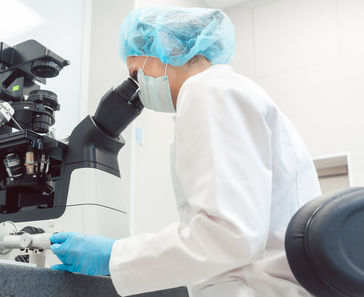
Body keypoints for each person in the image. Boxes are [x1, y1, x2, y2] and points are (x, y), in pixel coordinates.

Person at [49, 6, 321, 297]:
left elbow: (229, 236)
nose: (137, 86)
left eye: (134, 72)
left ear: (163, 48)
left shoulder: (206, 90)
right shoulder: (230, 90)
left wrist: (115, 255)